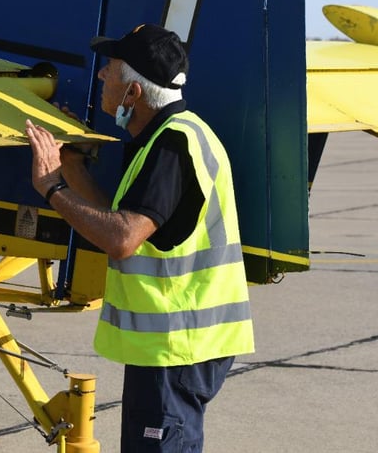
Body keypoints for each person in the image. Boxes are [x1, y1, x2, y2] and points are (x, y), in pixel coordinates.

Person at [25, 24, 254, 452]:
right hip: (182, 341)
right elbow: (119, 220)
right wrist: (72, 166)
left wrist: (51, 187)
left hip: (176, 345)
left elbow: (122, 238)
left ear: (133, 94)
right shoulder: (176, 134)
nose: (100, 77)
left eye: (109, 69)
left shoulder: (172, 148)